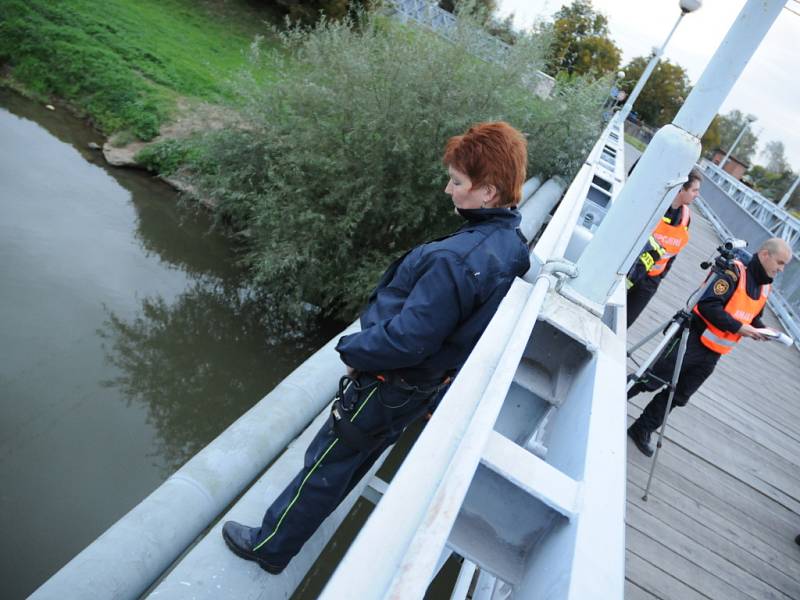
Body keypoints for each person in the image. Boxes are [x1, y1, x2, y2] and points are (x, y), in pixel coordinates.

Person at [221, 122, 531, 574]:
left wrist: (353, 347)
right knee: (354, 460)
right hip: (422, 385)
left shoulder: (458, 258)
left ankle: (270, 545)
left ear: (488, 192)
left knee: (328, 460)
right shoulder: (512, 247)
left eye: (458, 182)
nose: (448, 190)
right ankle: (296, 532)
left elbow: (409, 339)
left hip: (389, 382)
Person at [627, 237, 792, 457]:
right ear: (765, 255)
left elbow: (753, 317)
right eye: (780, 263)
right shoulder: (733, 273)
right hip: (692, 336)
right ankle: (614, 395)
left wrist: (763, 331)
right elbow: (707, 305)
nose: (781, 269)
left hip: (714, 352)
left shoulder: (764, 288)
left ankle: (642, 428)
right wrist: (738, 328)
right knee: (652, 379)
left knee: (680, 395)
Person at [626, 169, 702, 327]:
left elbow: (673, 253)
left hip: (650, 282)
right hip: (630, 272)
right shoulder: (655, 207)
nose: (697, 195)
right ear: (681, 189)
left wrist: (659, 278)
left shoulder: (686, 218)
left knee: (624, 324)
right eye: (694, 190)